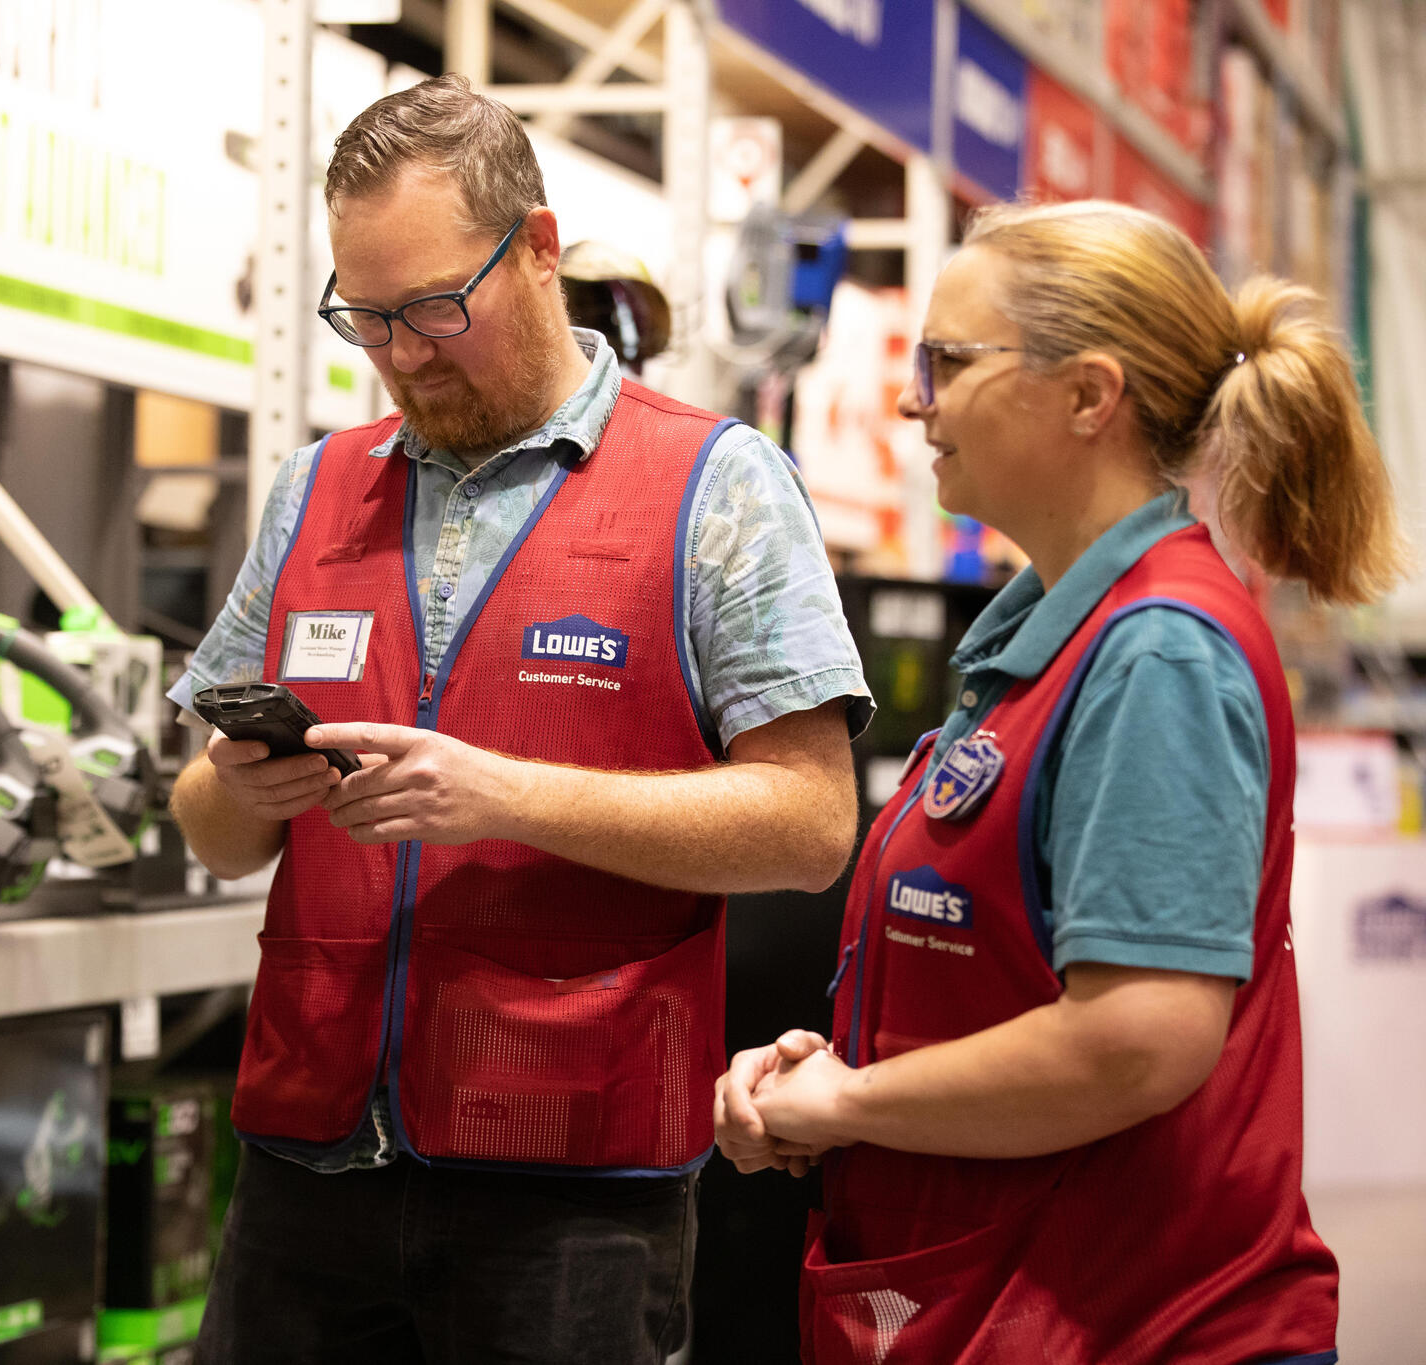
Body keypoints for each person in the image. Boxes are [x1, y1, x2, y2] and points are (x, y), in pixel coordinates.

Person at [167, 75, 872, 1364]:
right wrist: (234, 788)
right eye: (366, 317)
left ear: (538, 248)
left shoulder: (714, 486)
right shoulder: (315, 488)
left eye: (437, 307)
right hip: (306, 1168)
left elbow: (811, 824)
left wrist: (503, 796)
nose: (403, 355)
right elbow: (211, 836)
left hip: (569, 1193)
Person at [715, 198, 1407, 1364]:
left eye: (947, 363)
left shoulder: (1155, 654)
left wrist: (849, 1105)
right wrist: (836, 1069)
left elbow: (1137, 1038)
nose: (913, 401)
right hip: (1022, 1296)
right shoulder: (1052, 641)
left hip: (1135, 1322)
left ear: (1089, 396)